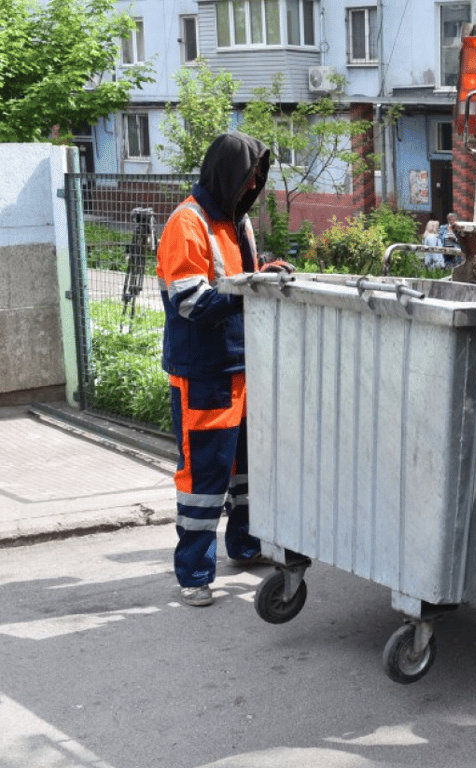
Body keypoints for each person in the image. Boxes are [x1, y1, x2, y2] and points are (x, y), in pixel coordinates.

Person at [157, 131, 291, 608]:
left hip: (240, 368)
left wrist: (266, 273)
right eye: (248, 176)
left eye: (257, 178)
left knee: (246, 473)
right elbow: (191, 301)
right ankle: (194, 574)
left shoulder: (239, 223)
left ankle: (245, 546)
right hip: (204, 376)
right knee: (204, 481)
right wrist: (251, 289)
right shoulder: (186, 224)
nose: (252, 185)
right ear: (228, 174)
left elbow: (239, 277)